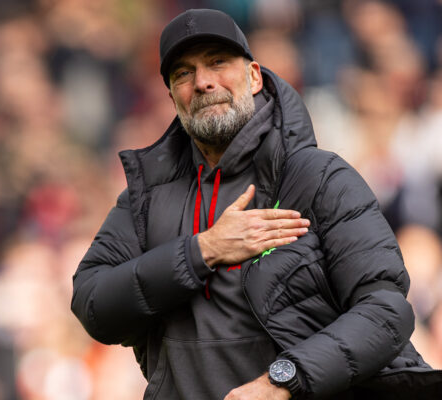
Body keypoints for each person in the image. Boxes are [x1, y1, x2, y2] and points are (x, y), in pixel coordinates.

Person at [71, 8, 442, 400]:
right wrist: (203, 250)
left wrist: (284, 379)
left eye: (218, 62)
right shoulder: (144, 199)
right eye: (183, 72)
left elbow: (386, 313)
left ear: (253, 77)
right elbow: (93, 304)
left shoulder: (317, 177)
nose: (203, 82)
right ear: (171, 97)